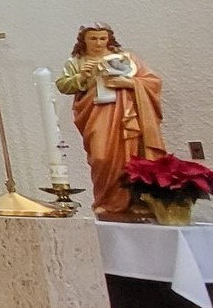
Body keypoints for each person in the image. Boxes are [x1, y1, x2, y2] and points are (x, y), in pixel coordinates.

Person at [55, 24, 166, 222]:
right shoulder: (76, 62)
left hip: (125, 114)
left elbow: (153, 81)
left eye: (102, 38)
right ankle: (106, 202)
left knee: (131, 158)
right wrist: (82, 76)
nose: (98, 43)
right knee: (101, 157)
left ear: (109, 39)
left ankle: (134, 202)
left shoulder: (126, 59)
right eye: (93, 38)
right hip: (96, 114)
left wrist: (129, 83)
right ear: (84, 40)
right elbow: (63, 85)